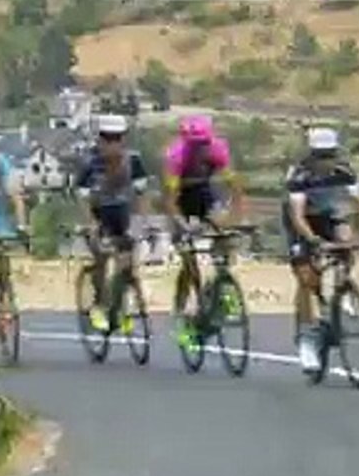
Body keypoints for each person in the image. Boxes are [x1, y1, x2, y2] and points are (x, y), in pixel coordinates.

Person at [283, 127, 359, 374]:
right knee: (307, 278)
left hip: (330, 214)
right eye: (320, 156)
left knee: (345, 237)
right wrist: (313, 240)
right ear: (311, 155)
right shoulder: (299, 174)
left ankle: (343, 288)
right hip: (302, 221)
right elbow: (297, 216)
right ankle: (308, 338)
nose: (325, 161)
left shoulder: (344, 171)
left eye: (328, 155)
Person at [162, 114, 246, 352]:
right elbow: (169, 200)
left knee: (223, 237)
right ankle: (180, 316)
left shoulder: (217, 149)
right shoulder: (176, 156)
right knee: (189, 263)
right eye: (195, 145)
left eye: (203, 144)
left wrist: (234, 219)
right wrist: (181, 224)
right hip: (181, 201)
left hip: (204, 195)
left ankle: (221, 283)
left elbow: (236, 187)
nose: (200, 150)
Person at [75, 114, 150, 333]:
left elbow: (143, 194)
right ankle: (98, 304)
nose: (112, 144)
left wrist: (142, 223)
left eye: (116, 138)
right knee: (101, 255)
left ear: (123, 140)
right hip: (99, 215)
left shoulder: (133, 160)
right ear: (100, 140)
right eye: (107, 139)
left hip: (122, 216)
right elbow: (82, 197)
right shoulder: (91, 162)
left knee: (127, 264)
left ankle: (121, 304)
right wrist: (90, 225)